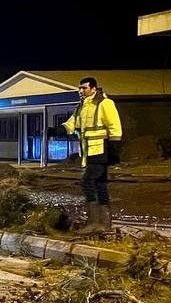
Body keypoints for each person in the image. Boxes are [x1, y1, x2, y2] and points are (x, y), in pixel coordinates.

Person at [48, 76, 123, 234]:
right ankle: (104, 225)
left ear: (94, 89)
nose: (81, 91)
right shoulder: (81, 106)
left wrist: (114, 150)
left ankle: (95, 222)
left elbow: (114, 127)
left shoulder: (104, 103)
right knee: (100, 186)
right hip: (89, 152)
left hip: (101, 150)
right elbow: (72, 124)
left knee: (87, 181)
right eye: (80, 88)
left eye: (84, 88)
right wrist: (57, 130)